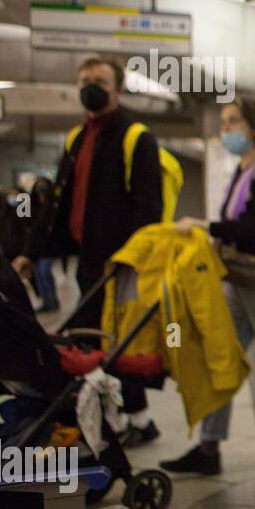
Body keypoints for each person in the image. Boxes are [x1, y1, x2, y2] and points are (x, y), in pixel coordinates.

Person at [12, 56, 163, 446]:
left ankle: (134, 420)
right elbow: (56, 205)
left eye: (98, 80)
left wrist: (130, 261)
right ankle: (126, 419)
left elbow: (149, 208)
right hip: (86, 256)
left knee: (112, 341)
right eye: (84, 80)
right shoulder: (77, 138)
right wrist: (32, 252)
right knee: (96, 339)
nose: (89, 87)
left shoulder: (136, 137)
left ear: (118, 87)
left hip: (118, 263)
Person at [162, 97, 255, 476]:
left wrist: (206, 226)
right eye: (224, 122)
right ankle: (209, 448)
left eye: (232, 122)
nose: (225, 129)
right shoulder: (244, 168)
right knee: (219, 356)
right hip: (236, 279)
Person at [29, 177, 60, 313]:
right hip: (35, 246)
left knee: (44, 271)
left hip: (49, 245)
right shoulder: (29, 201)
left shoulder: (53, 203)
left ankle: (52, 300)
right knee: (38, 274)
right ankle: (45, 301)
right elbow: (20, 217)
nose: (40, 188)